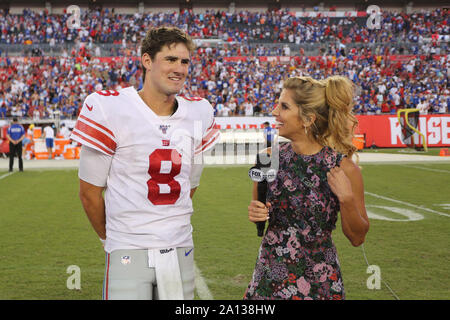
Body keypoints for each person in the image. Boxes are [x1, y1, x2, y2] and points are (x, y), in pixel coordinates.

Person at [70, 26, 220, 300]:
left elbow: (190, 185)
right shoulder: (109, 107)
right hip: (129, 247)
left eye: (184, 61)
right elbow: (89, 193)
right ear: (147, 60)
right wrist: (113, 239)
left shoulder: (199, 111)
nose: (179, 68)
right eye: (170, 59)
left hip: (179, 246)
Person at [244, 76, 370, 300]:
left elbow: (357, 238)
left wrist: (347, 198)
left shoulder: (345, 169)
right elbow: (259, 215)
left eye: (284, 106)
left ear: (307, 119)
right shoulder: (266, 159)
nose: (274, 112)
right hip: (269, 278)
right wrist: (256, 214)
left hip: (320, 283)